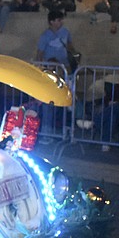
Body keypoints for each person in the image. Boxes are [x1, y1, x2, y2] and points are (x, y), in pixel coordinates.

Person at [36, 10, 77, 140]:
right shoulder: (45, 36)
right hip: (52, 70)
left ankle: (66, 131)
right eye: (58, 20)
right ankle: (48, 133)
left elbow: (70, 46)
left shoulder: (65, 32)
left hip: (64, 69)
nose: (61, 22)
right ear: (51, 22)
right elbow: (40, 53)